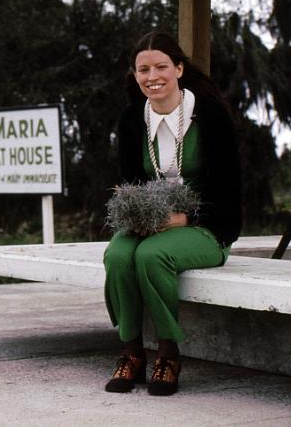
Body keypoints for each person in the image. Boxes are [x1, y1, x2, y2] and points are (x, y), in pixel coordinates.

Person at [103, 31, 242, 396]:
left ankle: (168, 352)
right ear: (135, 76)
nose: (153, 76)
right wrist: (136, 215)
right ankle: (131, 351)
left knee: (152, 255)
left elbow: (231, 193)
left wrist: (185, 219)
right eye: (143, 69)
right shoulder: (133, 120)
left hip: (207, 227)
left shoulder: (210, 114)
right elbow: (130, 182)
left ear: (179, 68)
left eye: (162, 66)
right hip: (153, 224)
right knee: (118, 254)